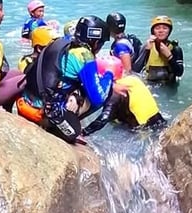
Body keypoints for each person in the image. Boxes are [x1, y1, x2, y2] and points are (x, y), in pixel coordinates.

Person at [19, 15, 124, 143]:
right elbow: (98, 97)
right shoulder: (83, 55)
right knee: (109, 93)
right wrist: (109, 74)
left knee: (79, 85)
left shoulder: (61, 43)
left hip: (26, 103)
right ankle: (58, 125)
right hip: (44, 113)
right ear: (96, 43)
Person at [82, 57, 166, 135]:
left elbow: (104, 118)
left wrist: (84, 132)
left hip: (141, 130)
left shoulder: (115, 92)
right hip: (159, 122)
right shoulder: (133, 80)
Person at [132, 16, 184, 84]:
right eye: (157, 28)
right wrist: (146, 51)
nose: (161, 31)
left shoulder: (175, 49)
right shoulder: (147, 46)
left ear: (169, 31)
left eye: (165, 28)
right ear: (153, 31)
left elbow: (179, 73)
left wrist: (169, 56)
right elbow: (136, 70)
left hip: (169, 85)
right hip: (150, 84)